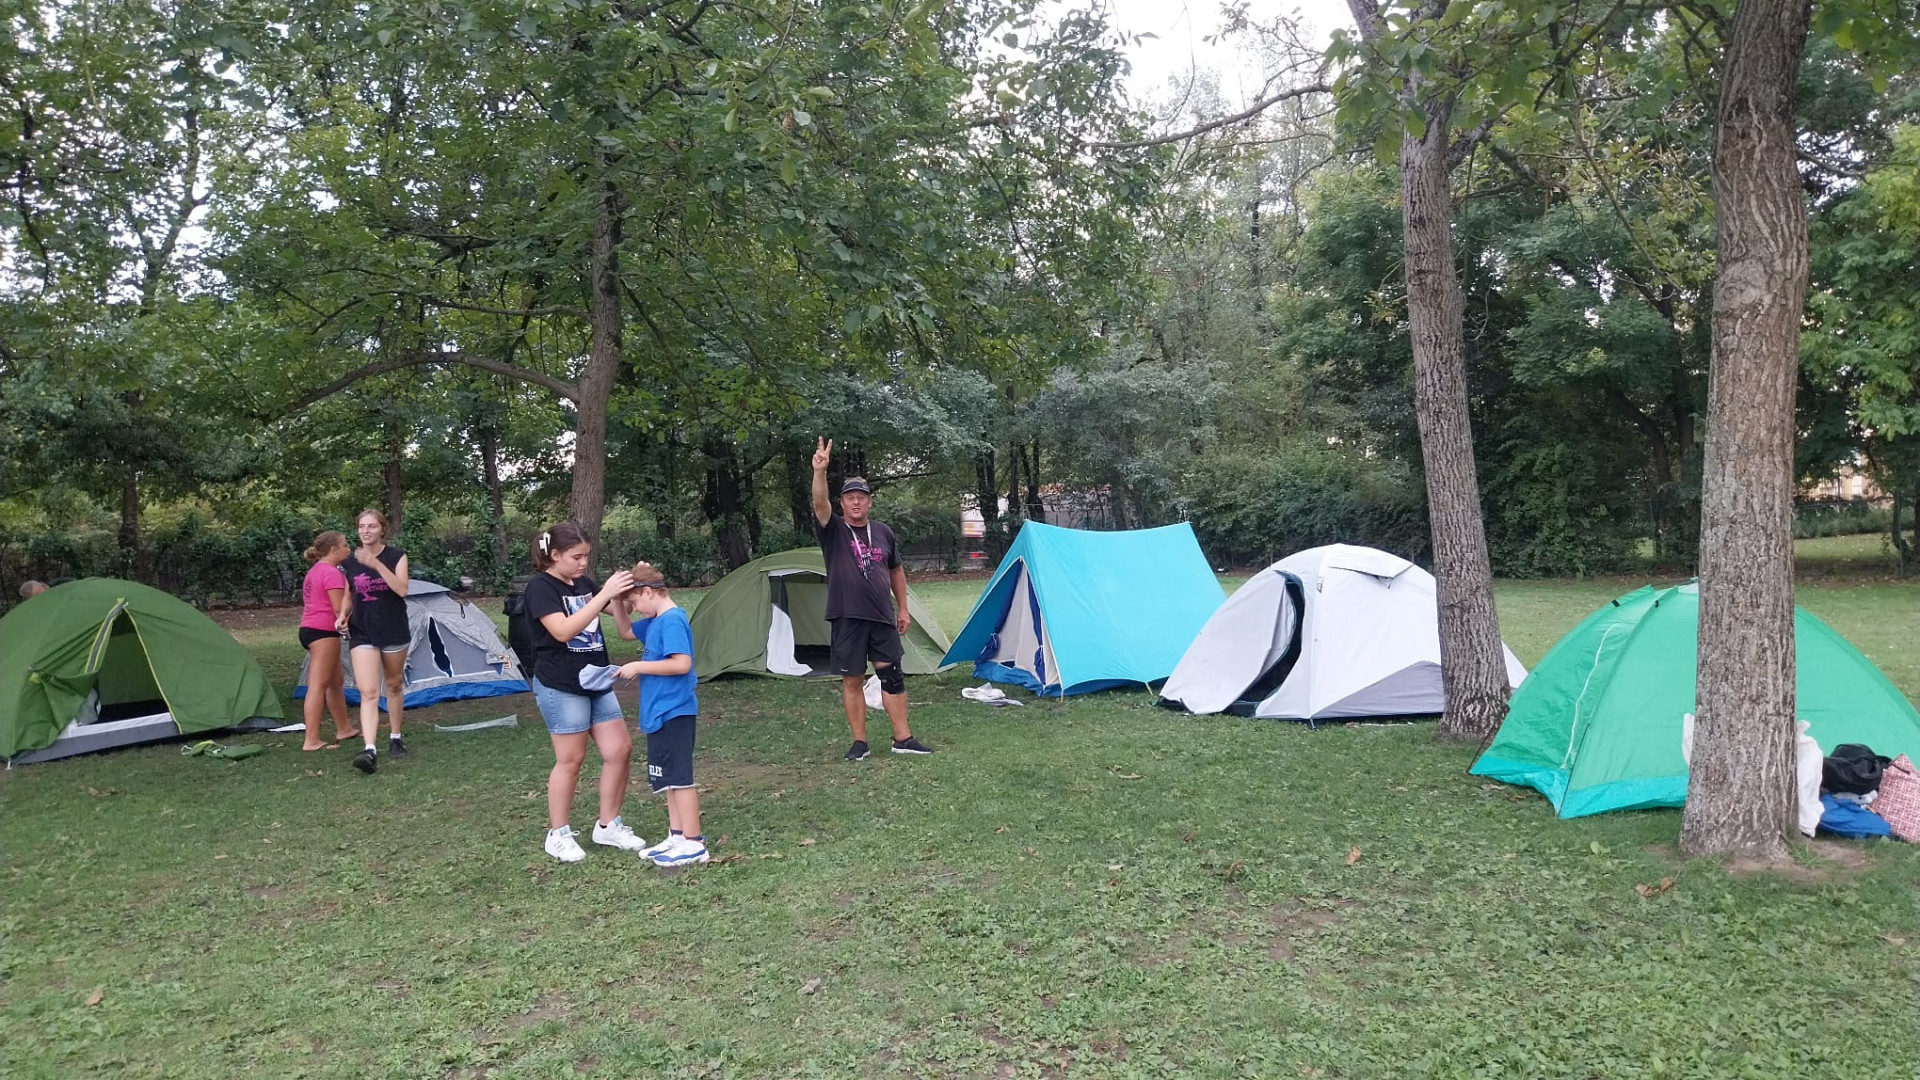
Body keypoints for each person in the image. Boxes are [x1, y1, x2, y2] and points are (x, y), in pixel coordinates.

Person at [523, 521, 647, 863]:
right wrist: (604, 594)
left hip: (595, 679)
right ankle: (558, 834)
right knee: (571, 759)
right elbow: (562, 631)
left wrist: (627, 592)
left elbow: (618, 614)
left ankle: (608, 825)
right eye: (576, 557)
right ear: (555, 555)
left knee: (619, 749)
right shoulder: (540, 588)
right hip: (560, 683)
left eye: (586, 557)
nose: (582, 564)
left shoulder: (584, 583)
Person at [811, 437, 932, 761]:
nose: (855, 503)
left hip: (881, 617)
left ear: (869, 502)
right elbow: (819, 504)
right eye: (850, 498)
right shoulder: (833, 529)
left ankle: (902, 738)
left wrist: (903, 607)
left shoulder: (883, 532)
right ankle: (860, 742)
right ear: (842, 503)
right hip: (847, 617)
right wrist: (820, 471)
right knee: (852, 679)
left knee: (892, 676)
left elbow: (896, 571)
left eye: (861, 498)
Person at [614, 563, 709, 867]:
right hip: (658, 712)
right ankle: (677, 835)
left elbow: (682, 664)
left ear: (649, 592)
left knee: (680, 779)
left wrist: (638, 667)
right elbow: (626, 631)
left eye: (635, 602)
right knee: (668, 779)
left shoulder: (671, 620)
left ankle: (694, 843)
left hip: (675, 712)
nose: (635, 608)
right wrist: (616, 599)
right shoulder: (654, 620)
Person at [342, 510, 411, 774]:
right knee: (368, 691)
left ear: (382, 529)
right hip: (362, 631)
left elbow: (402, 590)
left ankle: (395, 737)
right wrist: (342, 614)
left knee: (393, 685)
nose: (366, 531)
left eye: (372, 526)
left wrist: (376, 564)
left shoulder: (396, 556)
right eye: (361, 526)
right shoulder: (349, 562)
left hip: (393, 629)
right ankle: (369, 749)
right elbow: (350, 594)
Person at [298, 531, 355, 751]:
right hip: (323, 631)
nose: (348, 549)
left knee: (335, 682)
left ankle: (344, 728)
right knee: (318, 685)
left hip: (309, 629)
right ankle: (311, 739)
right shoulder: (331, 573)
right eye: (345, 545)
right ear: (333, 550)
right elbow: (338, 608)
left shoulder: (314, 571)